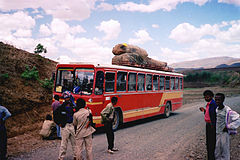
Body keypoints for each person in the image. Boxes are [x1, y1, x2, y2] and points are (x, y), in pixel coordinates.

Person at [214, 93, 240, 160]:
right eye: (216, 100)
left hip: (224, 133)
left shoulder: (227, 111)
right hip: (217, 132)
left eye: (219, 100)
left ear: (223, 100)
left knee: (224, 149)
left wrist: (229, 126)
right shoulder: (216, 109)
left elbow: (238, 119)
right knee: (217, 150)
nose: (217, 101)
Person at [54, 91, 76, 160]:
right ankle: (61, 157)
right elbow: (55, 116)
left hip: (72, 126)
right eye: (66, 98)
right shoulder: (61, 107)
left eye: (68, 98)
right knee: (64, 143)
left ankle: (76, 156)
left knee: (75, 143)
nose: (67, 99)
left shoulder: (73, 106)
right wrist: (59, 123)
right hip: (65, 126)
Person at [199, 90, 217, 160]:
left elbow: (215, 115)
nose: (206, 98)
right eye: (205, 97)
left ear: (212, 96)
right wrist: (204, 110)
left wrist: (213, 124)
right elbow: (209, 113)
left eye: (208, 97)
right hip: (208, 125)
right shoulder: (208, 104)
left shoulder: (214, 104)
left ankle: (212, 157)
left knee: (211, 143)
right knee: (209, 142)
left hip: (212, 126)